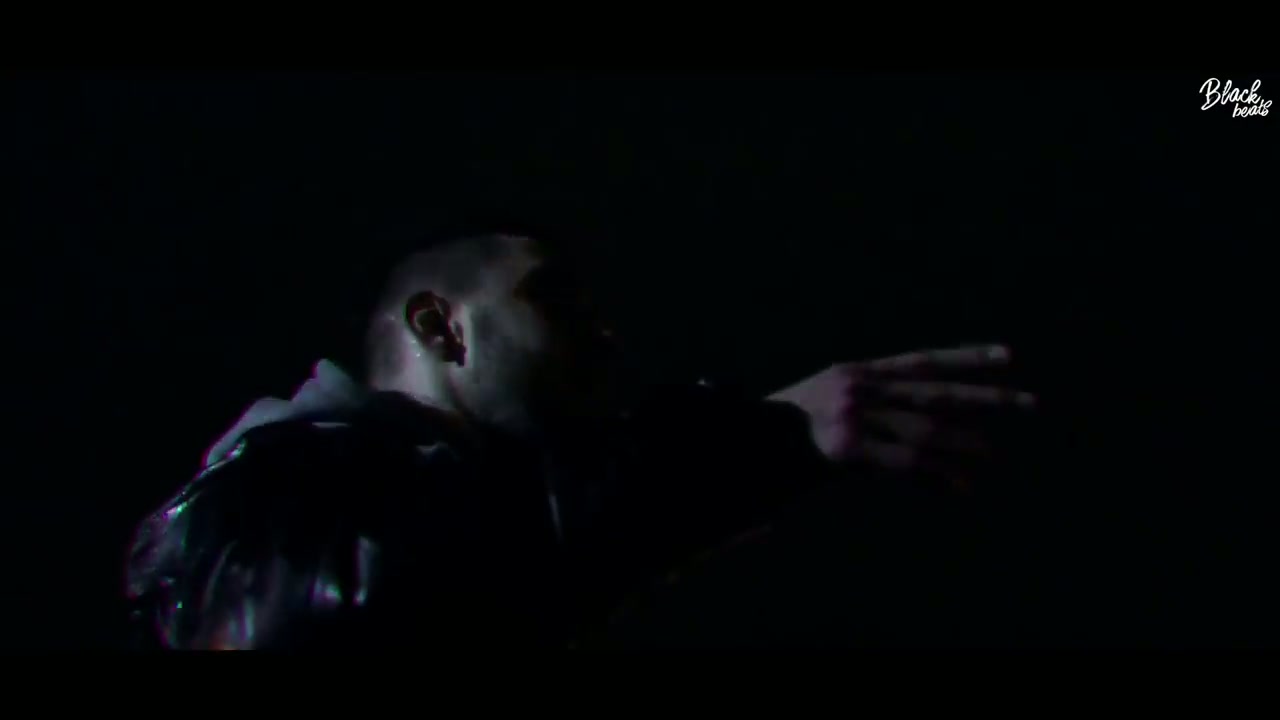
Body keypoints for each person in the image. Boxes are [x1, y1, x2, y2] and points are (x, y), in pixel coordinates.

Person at [125, 233, 1034, 649]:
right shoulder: (261, 486)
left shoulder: (537, 536)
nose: (605, 339)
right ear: (441, 327)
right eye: (553, 301)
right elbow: (317, 612)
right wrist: (754, 446)